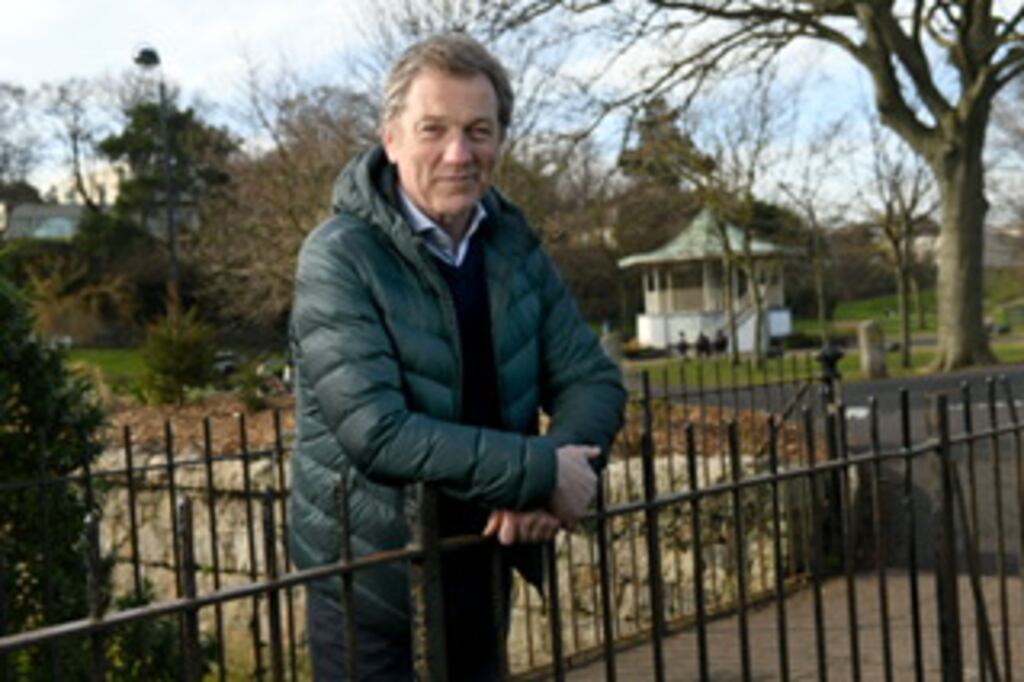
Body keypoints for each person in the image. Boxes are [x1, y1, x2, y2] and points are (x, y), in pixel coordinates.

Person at [289, 33, 626, 681]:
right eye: (433, 129)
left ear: (500, 138)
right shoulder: (338, 256)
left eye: (479, 130)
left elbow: (592, 379)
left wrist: (550, 482)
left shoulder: (513, 246)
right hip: (374, 580)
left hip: (482, 552)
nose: (457, 153)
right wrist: (535, 471)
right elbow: (375, 431)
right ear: (391, 138)